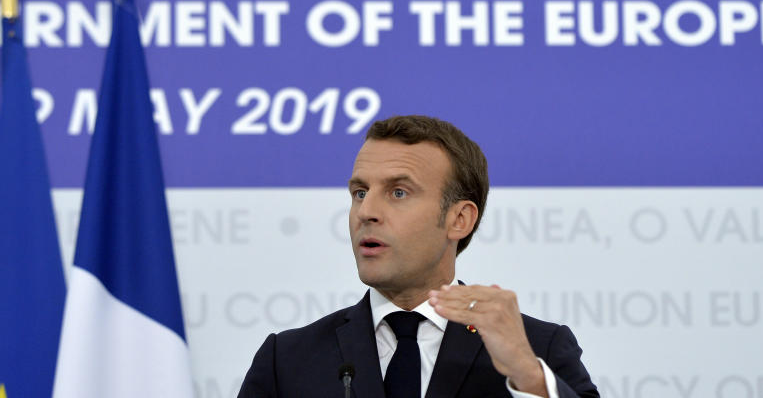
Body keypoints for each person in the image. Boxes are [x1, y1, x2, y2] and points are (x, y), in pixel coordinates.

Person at [238, 115, 598, 398]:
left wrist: (528, 376)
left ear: (459, 219)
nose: (367, 212)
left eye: (398, 192)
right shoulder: (287, 360)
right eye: (360, 192)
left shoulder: (537, 350)